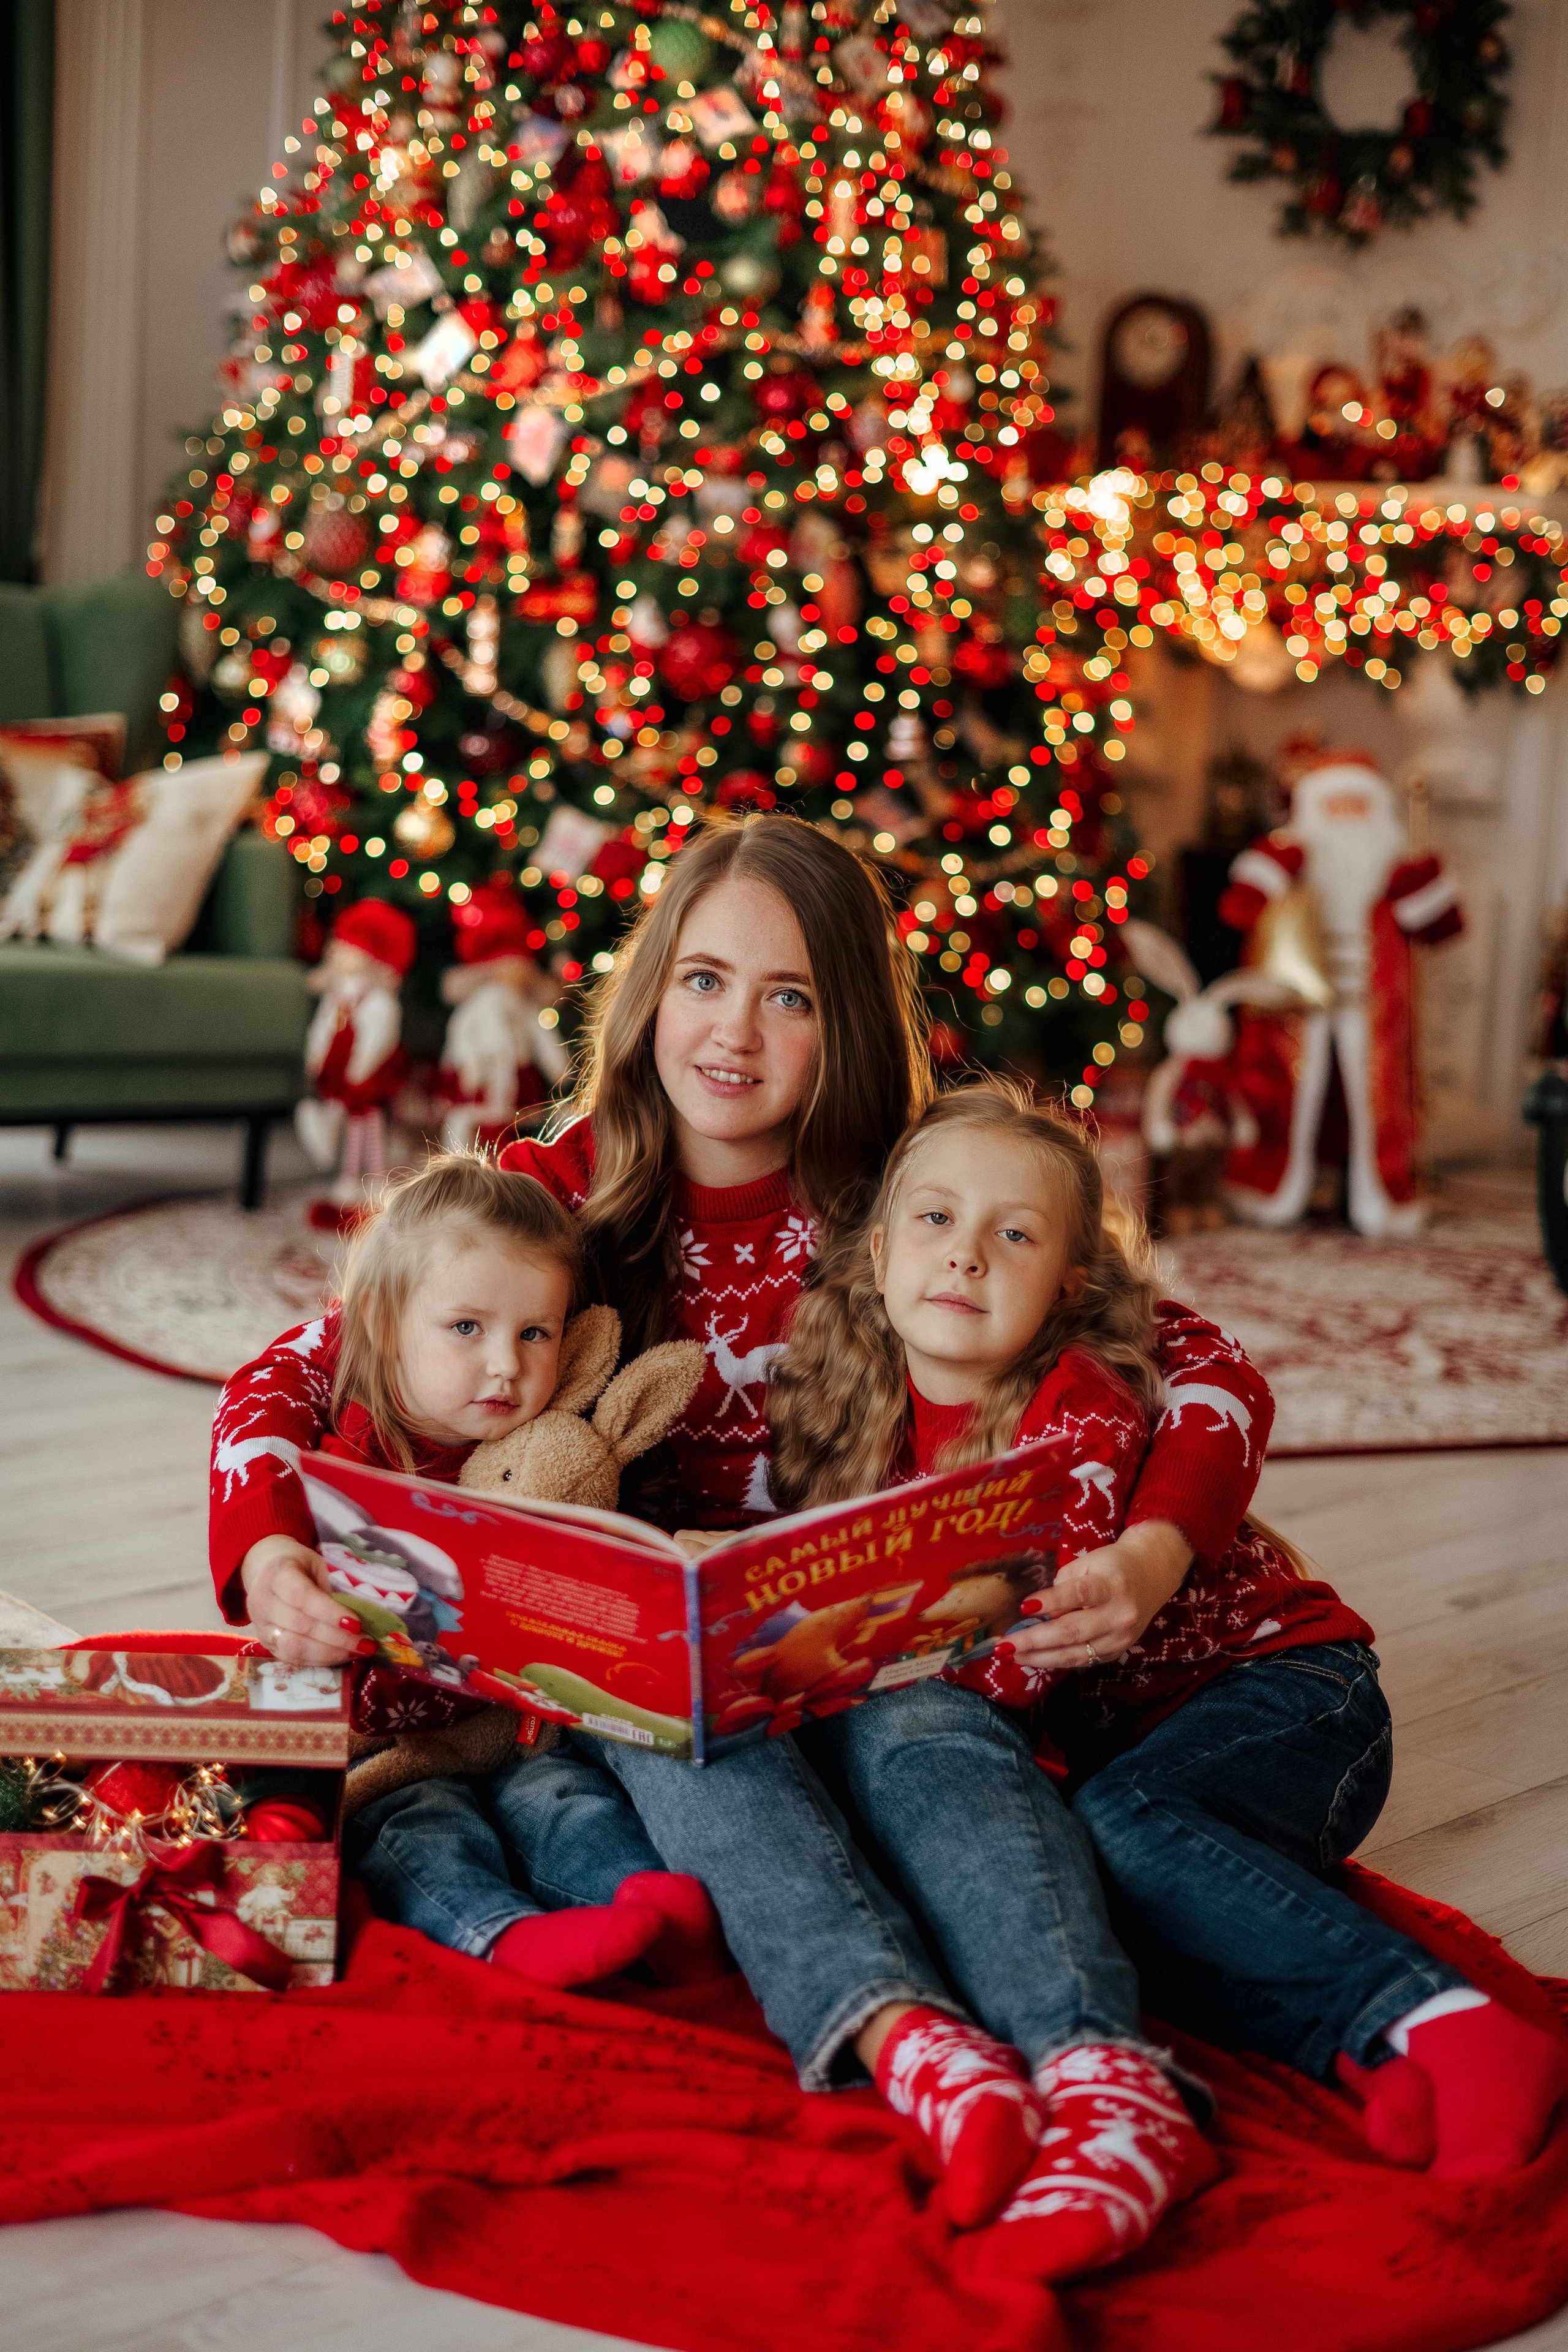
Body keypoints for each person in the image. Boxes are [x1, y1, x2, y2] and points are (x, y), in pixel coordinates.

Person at [208, 813, 1269, 2253]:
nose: (732, 1033)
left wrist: (1153, 1552)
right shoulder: (558, 1184)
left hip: (888, 1662)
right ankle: (915, 2052)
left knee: (940, 1776)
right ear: (647, 993)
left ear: (848, 1026)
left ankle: (1091, 2073)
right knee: (634, 1758)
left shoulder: (923, 1192)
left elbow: (1199, 1371)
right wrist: (270, 1550)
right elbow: (298, 1369)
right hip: (657, 1676)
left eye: (790, 997)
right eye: (702, 979)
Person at [769, 1078, 1568, 2224]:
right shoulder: (857, 1423)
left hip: (1288, 1693)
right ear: (879, 1247)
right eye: (937, 1220)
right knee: (1084, 1888)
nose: (967, 1258)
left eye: (1015, 1234)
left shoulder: (1079, 1407)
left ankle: (1433, 2018)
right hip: (1144, 1741)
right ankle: (1355, 2047)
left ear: (1067, 1287)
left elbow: (1000, 1665)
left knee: (1122, 1834)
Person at [248, 1150, 729, 1991]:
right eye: (467, 1329)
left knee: (568, 1803)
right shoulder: (343, 1448)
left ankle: (644, 1909)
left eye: (534, 1334)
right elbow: (258, 1450)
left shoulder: (545, 1454)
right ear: (387, 1325)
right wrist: (284, 1563)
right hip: (392, 1750)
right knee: (417, 1832)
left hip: (520, 1738)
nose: (506, 1365)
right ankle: (499, 1938)